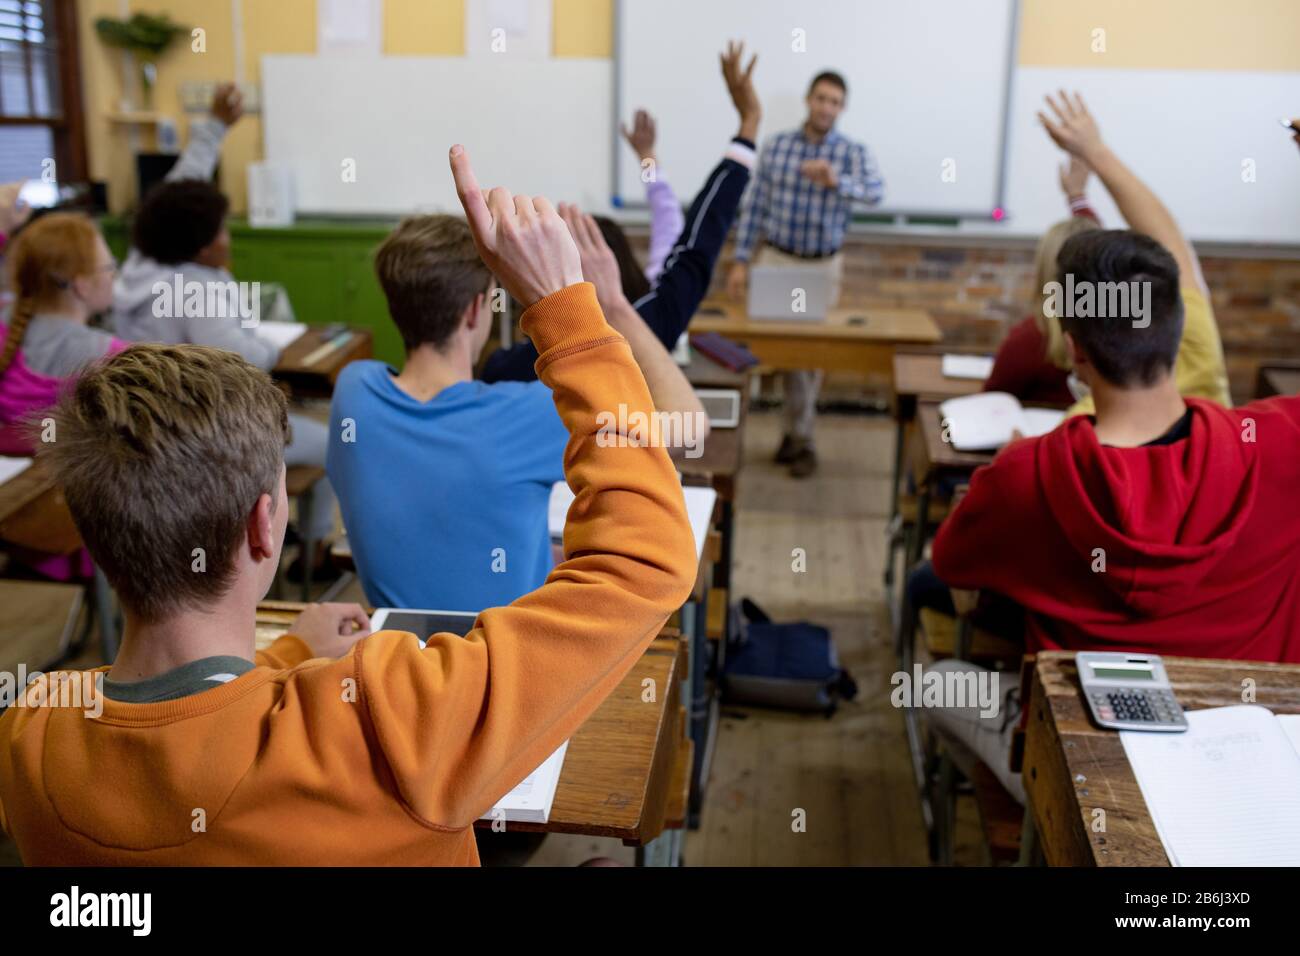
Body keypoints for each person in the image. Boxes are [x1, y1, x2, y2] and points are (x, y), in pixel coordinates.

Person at [0, 145, 698, 865]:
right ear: (264, 527)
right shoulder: (391, 726)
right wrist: (572, 311)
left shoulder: (34, 732)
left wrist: (294, 655)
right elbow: (646, 562)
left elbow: (193, 735)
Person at [921, 93, 1300, 802]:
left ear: (1072, 348)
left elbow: (952, 564)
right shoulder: (1280, 446)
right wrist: (1097, 154)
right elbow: (1175, 252)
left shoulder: (1028, 474)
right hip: (1260, 769)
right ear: (1181, 321)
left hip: (1092, 780)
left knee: (940, 681)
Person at [327, 202, 706, 612]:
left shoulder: (353, 394)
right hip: (509, 656)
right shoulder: (529, 415)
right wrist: (610, 305)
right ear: (476, 310)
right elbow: (691, 428)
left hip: (402, 651)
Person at [110, 83, 338, 582]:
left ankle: (281, 525)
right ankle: (313, 552)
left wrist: (214, 127)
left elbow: (181, 185)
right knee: (337, 439)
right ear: (197, 241)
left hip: (150, 429)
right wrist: (266, 342)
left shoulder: (144, 260)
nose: (227, 235)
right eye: (220, 228)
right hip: (205, 439)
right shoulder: (197, 290)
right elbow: (245, 359)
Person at [480, 40, 761, 383]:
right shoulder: (650, 326)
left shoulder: (513, 367)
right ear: (615, 268)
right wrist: (749, 123)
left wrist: (647, 157)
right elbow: (693, 238)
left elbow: (670, 219)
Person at [725, 69, 884, 478]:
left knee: (811, 355)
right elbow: (755, 208)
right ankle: (791, 435)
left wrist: (837, 182)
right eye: (821, 99)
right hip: (777, 259)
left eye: (834, 101)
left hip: (821, 265)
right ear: (808, 100)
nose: (826, 107)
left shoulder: (850, 153)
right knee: (774, 349)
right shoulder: (777, 148)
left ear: (842, 108)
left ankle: (801, 438)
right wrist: (741, 261)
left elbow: (877, 192)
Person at [982, 156, 1101, 406]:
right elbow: (1101, 252)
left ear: (1045, 272)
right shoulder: (1125, 337)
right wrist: (1077, 197)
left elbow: (989, 406)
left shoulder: (1030, 341)